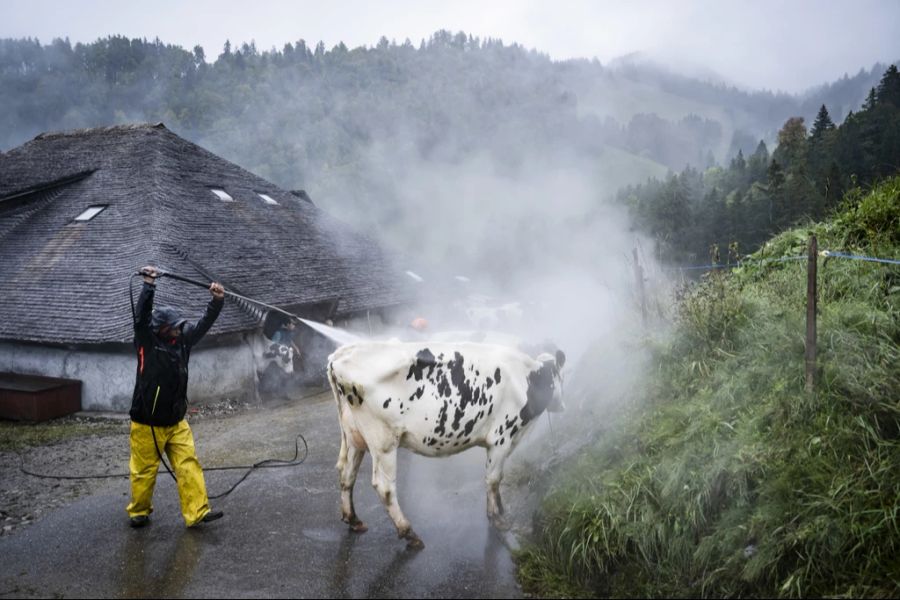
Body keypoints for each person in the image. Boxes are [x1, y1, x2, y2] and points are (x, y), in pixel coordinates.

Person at [126, 265, 225, 528]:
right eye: (174, 327)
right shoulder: (147, 342)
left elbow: (202, 326)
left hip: (176, 420)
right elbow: (141, 319)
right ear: (161, 329)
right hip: (146, 422)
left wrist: (216, 302)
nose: (180, 330)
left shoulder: (182, 342)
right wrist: (149, 284)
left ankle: (197, 511)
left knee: (188, 464)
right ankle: (139, 510)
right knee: (144, 471)